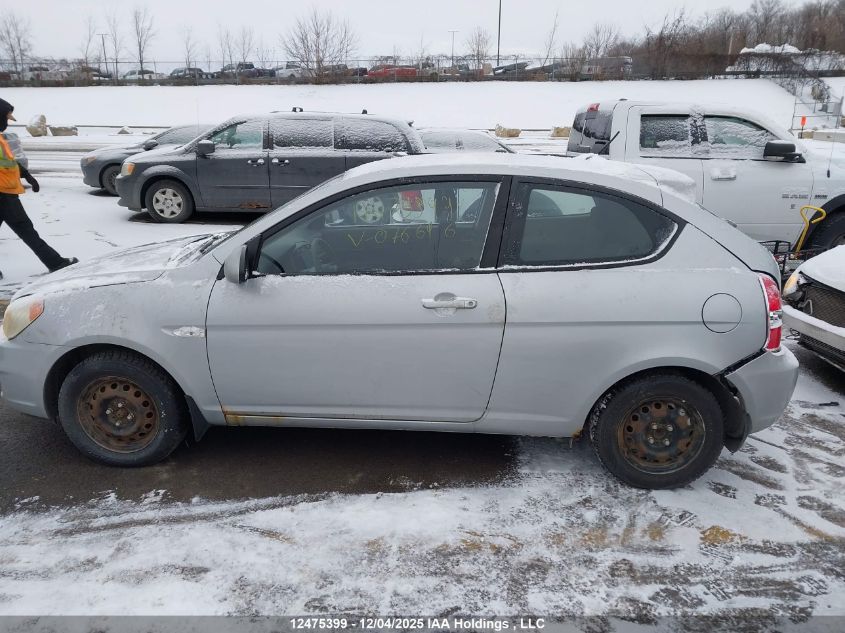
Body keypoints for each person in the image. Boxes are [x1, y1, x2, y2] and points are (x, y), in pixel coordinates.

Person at [0, 98, 77, 280]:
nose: (7, 123)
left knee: (26, 230)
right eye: (5, 118)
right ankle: (55, 262)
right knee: (26, 229)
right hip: (4, 194)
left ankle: (55, 262)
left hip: (6, 191)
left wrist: (26, 175)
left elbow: (8, 161)